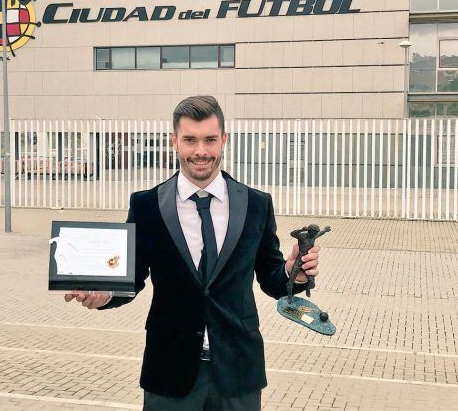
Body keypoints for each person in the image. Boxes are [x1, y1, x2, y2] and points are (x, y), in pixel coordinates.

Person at [65, 96, 320, 411]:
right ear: (175, 141)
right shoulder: (146, 206)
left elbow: (271, 278)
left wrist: (292, 271)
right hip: (169, 371)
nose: (201, 151)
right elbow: (131, 275)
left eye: (210, 139)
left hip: (238, 372)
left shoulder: (256, 204)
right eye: (190, 140)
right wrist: (105, 295)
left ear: (223, 140)